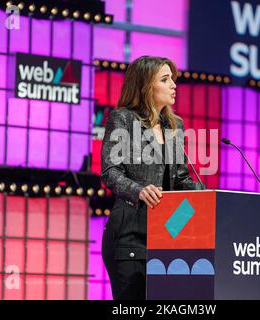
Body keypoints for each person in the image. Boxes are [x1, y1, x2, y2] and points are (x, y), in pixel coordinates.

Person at [100, 56, 205, 300]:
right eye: (165, 79)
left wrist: (209, 196)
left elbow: (180, 179)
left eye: (173, 79)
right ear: (146, 85)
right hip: (129, 234)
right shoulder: (123, 119)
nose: (174, 85)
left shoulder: (175, 125)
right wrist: (138, 190)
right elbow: (110, 171)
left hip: (165, 234)